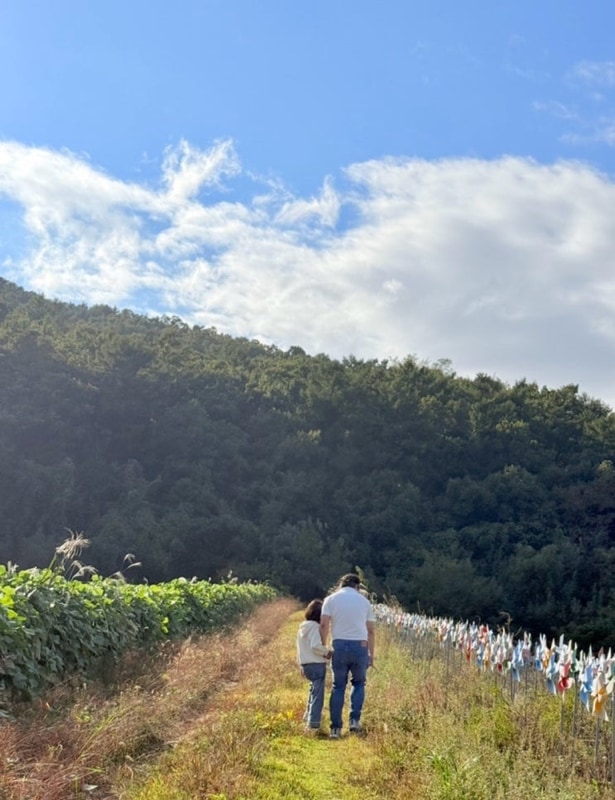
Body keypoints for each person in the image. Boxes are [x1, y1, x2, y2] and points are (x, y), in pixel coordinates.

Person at [320, 573, 376, 739]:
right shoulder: (365, 602)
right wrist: (371, 654)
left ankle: (335, 728)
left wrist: (324, 647)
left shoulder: (330, 600)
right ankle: (354, 721)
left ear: (341, 585)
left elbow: (324, 625)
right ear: (358, 586)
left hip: (339, 645)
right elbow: (371, 630)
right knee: (359, 683)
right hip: (360, 645)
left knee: (338, 686)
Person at [296, 598, 332, 733]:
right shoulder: (315, 627)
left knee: (312, 691)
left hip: (305, 664)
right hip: (316, 664)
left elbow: (300, 648)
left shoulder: (302, 627)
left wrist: (300, 664)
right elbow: (315, 645)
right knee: (318, 695)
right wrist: (327, 652)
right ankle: (313, 724)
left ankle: (307, 716)